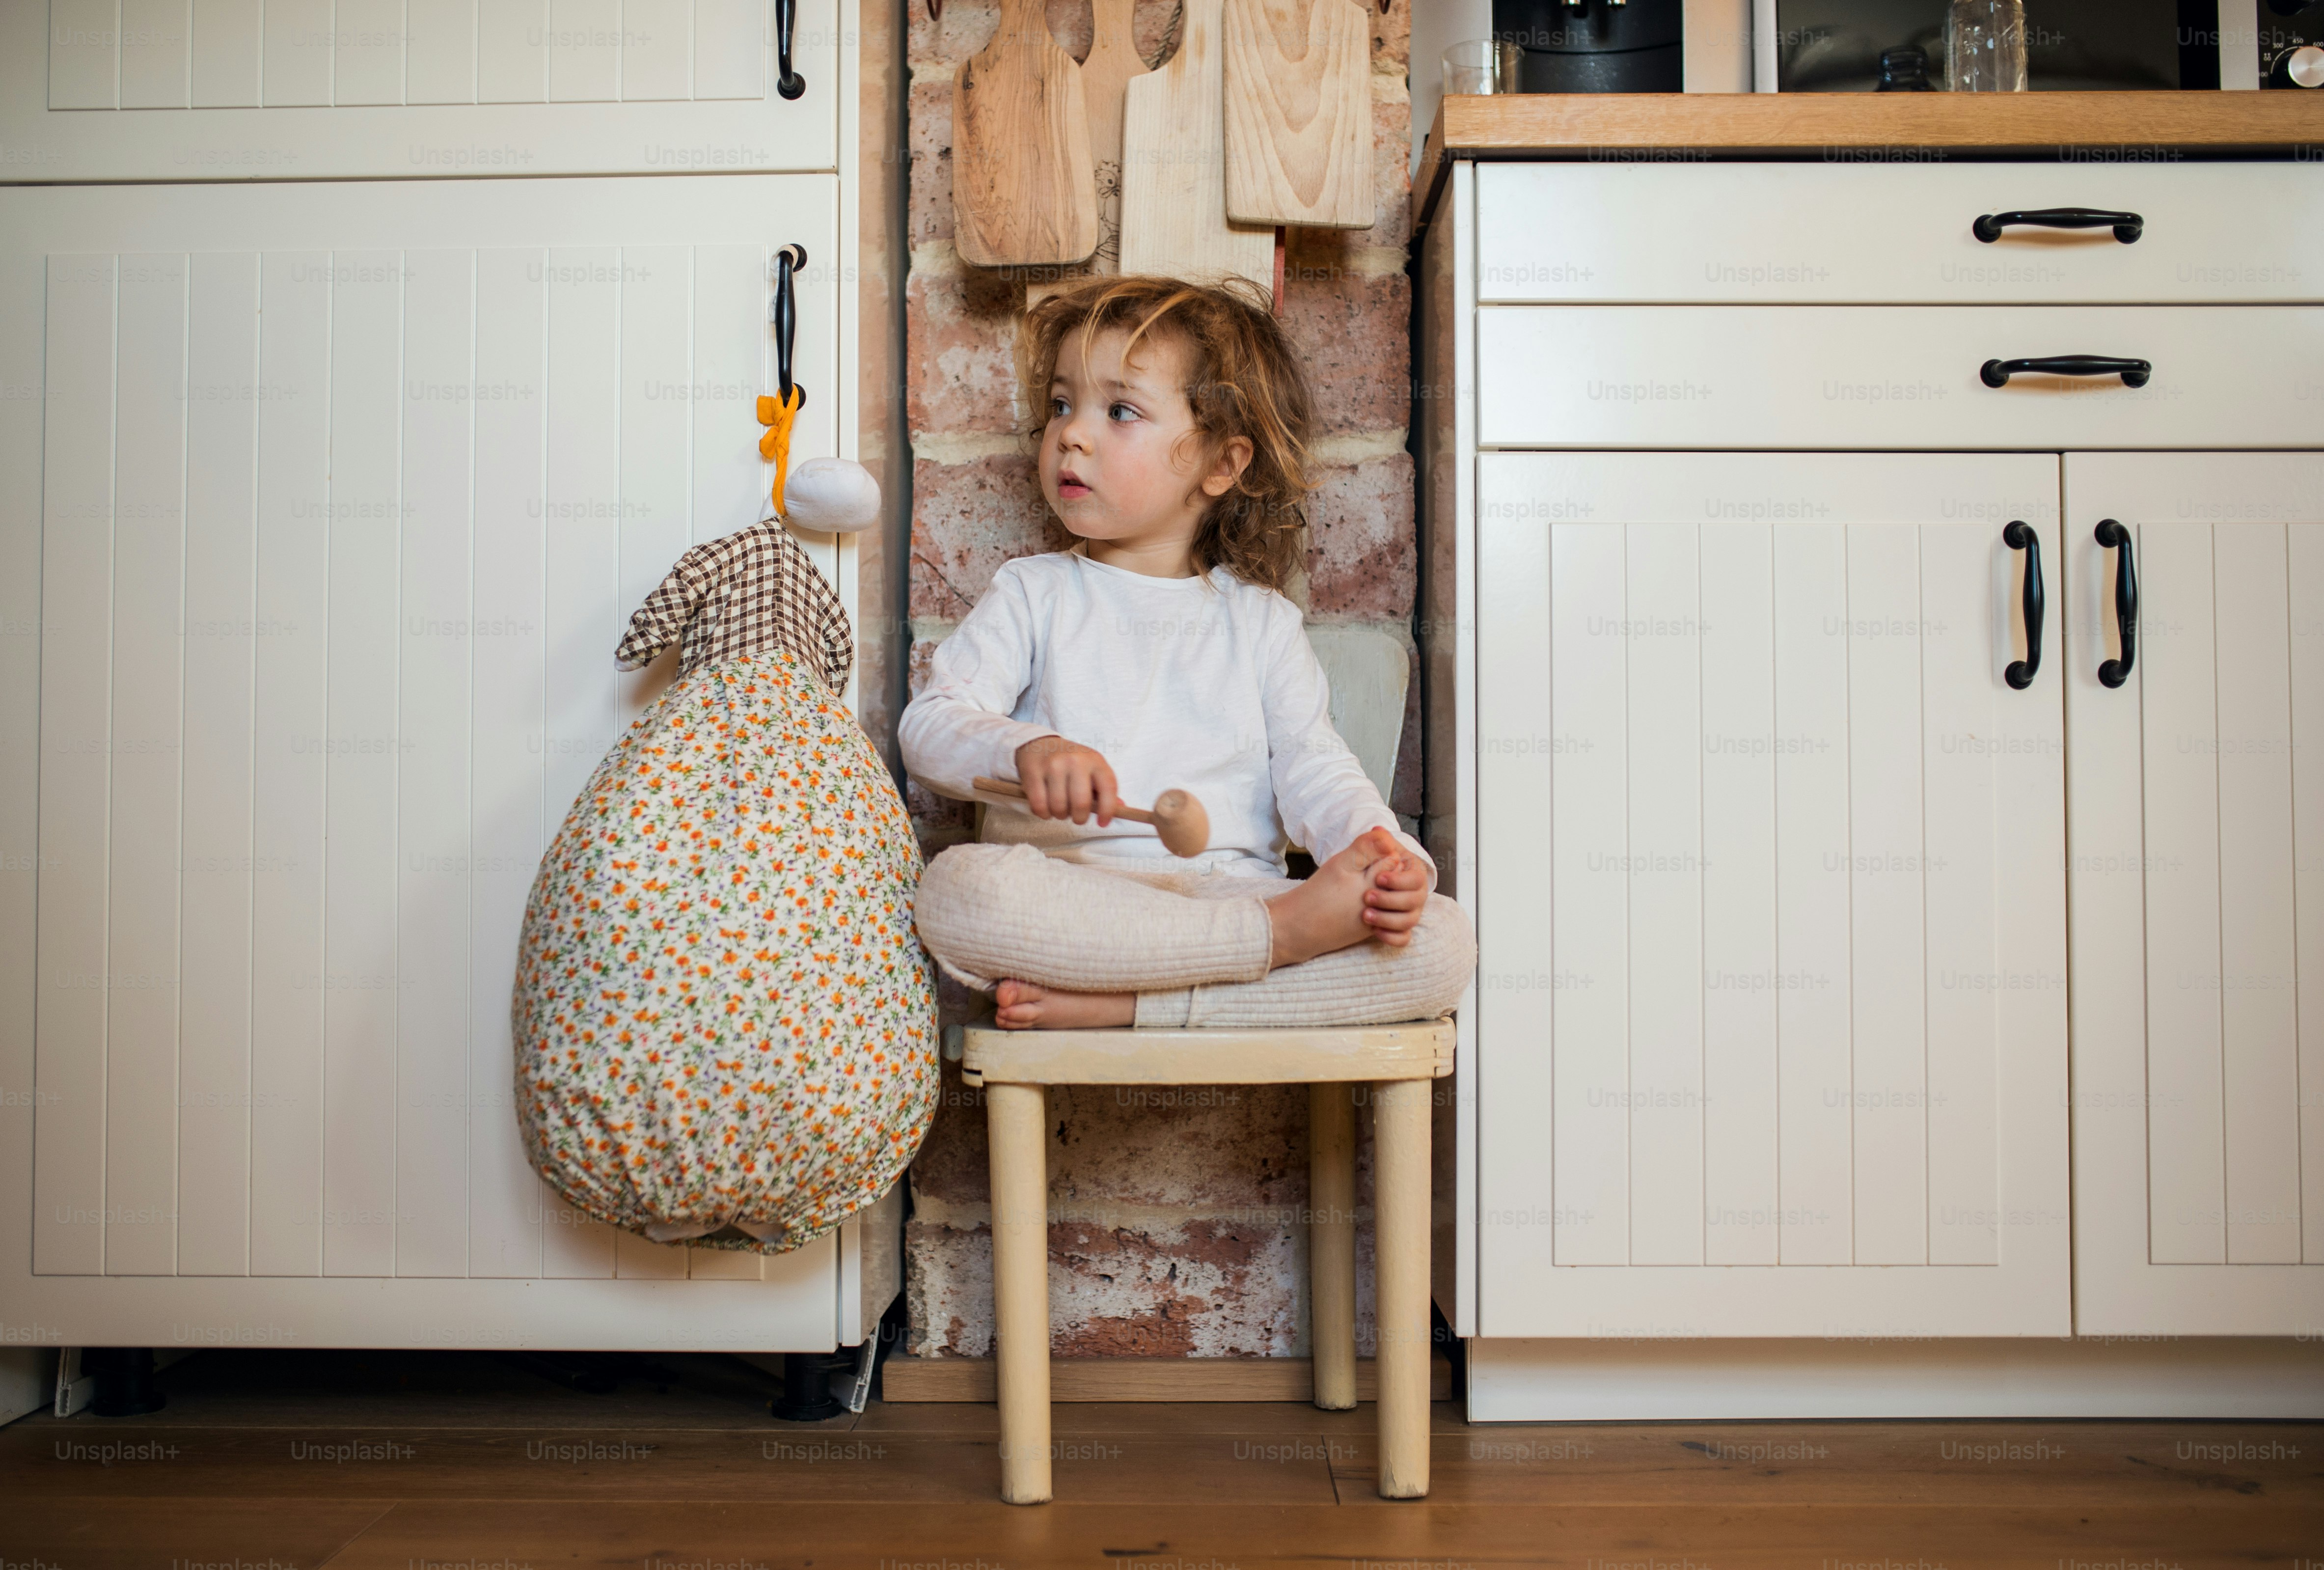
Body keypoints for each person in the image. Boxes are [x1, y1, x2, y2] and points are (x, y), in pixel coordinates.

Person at [901, 275, 1473, 1031]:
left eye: (1120, 410)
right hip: (1085, 906)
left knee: (1440, 941)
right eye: (1062, 405)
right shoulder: (1033, 593)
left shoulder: (1260, 623)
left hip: (1231, 892)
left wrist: (1379, 855)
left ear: (1220, 465)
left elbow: (1313, 767)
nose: (1071, 434)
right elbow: (931, 727)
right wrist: (1025, 748)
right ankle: (1260, 954)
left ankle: (1139, 1005)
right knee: (956, 892)